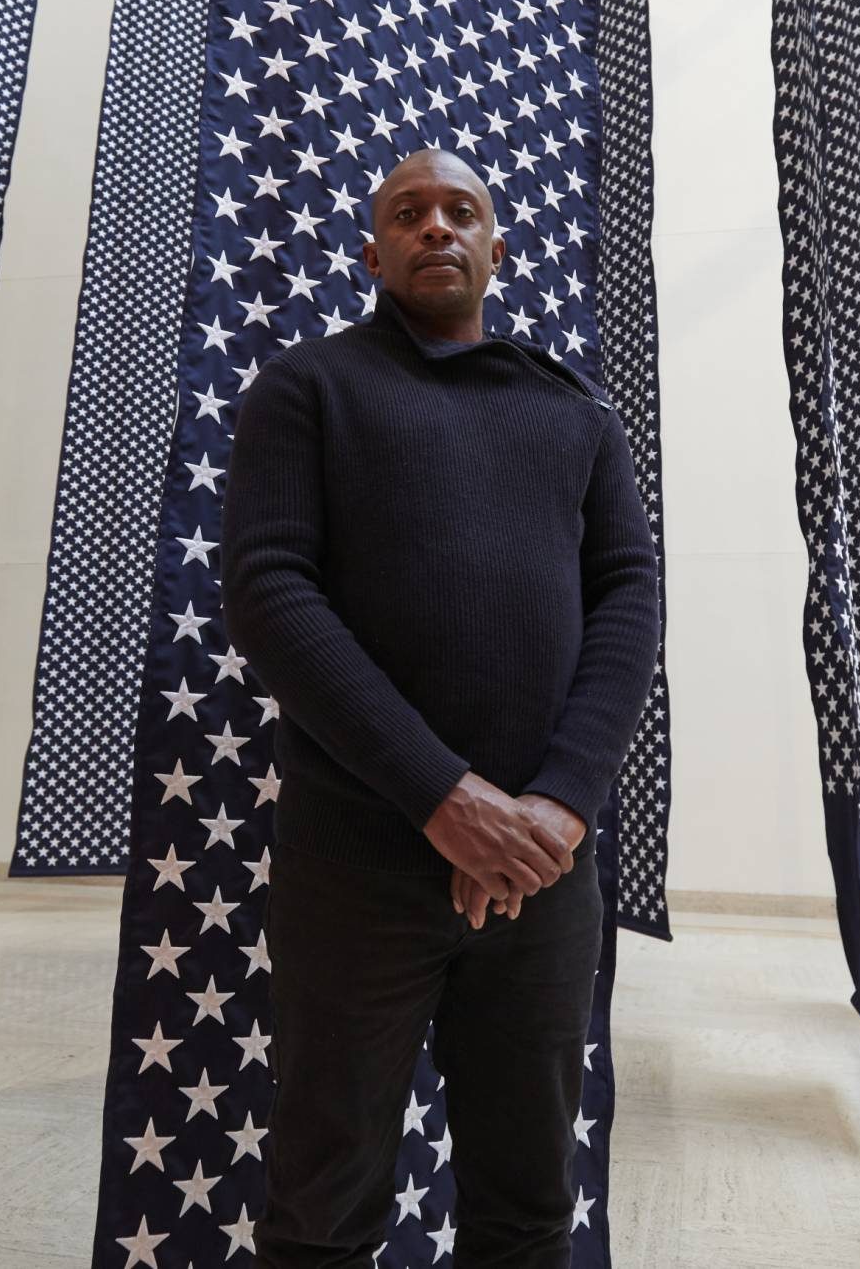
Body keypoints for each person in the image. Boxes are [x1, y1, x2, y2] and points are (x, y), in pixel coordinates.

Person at [221, 145, 662, 1269]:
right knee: (323, 1205)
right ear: (373, 251)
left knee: (525, 1206)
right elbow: (270, 592)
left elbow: (627, 602)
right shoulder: (307, 388)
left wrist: (556, 807)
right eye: (407, 214)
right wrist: (442, 796)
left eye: (459, 211)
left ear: (497, 249)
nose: (435, 229)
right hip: (357, 868)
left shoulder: (577, 415)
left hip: (543, 877)